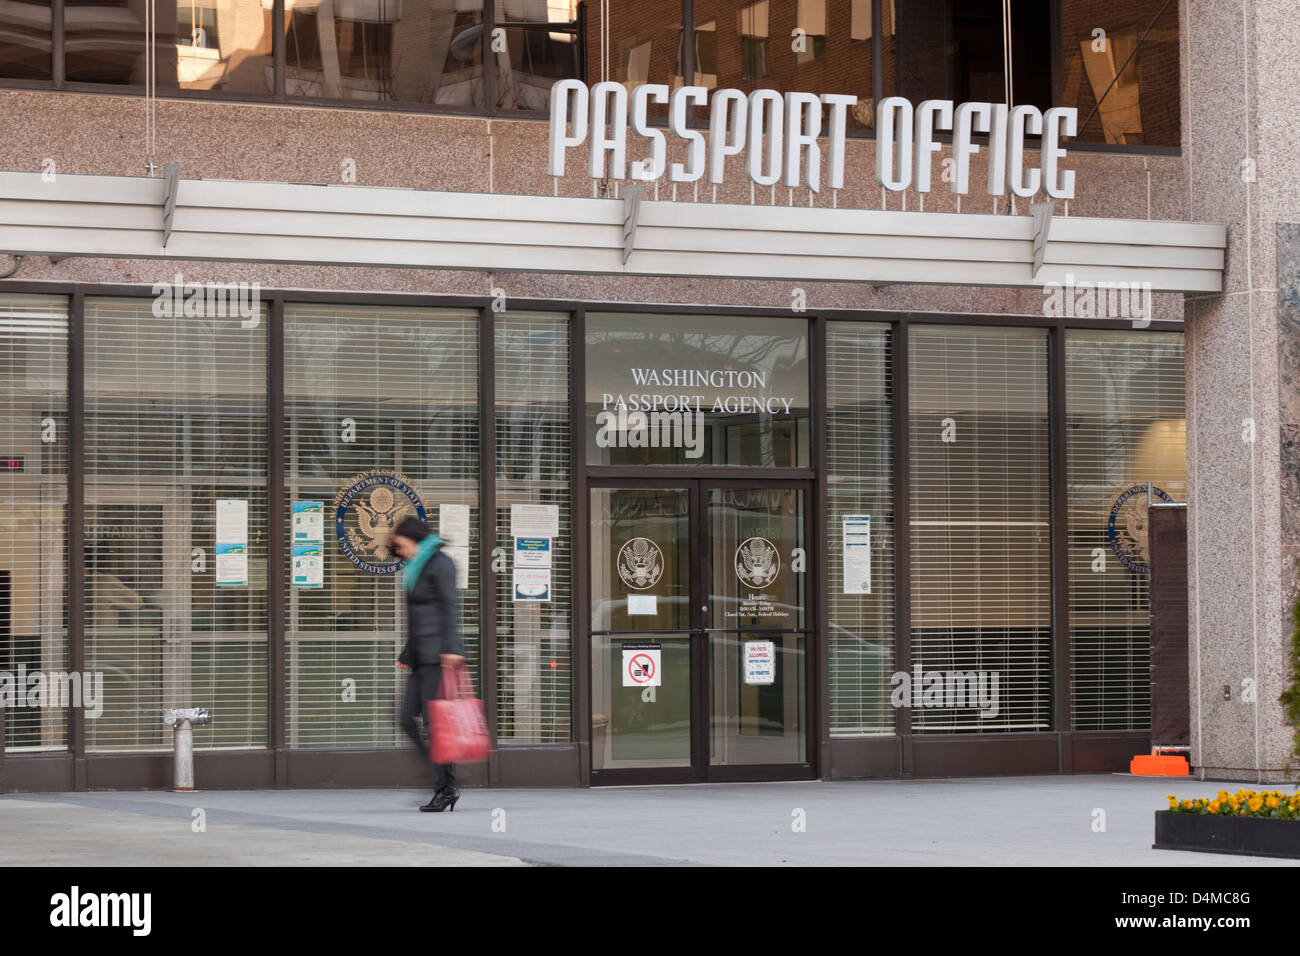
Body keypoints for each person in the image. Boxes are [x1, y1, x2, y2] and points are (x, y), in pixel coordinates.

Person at [392, 515, 466, 812]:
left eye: (401, 545)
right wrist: (407, 654)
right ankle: (442, 773)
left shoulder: (440, 563)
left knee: (437, 726)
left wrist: (451, 648)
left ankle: (446, 786)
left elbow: (450, 606)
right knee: (405, 718)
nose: (400, 551)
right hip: (421, 657)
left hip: (439, 657)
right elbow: (418, 616)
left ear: (414, 539)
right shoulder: (415, 568)